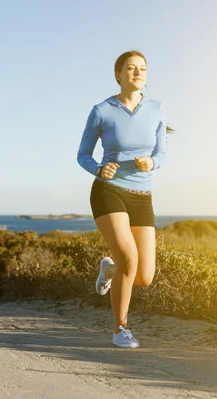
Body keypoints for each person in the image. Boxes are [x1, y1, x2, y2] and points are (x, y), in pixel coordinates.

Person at [76, 50, 171, 348]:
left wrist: (152, 164)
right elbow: (82, 155)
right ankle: (120, 329)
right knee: (129, 258)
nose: (138, 73)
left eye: (142, 68)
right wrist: (100, 169)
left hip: (143, 196)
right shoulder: (102, 110)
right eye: (131, 68)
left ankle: (110, 268)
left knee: (143, 276)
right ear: (118, 75)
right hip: (109, 190)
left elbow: (162, 153)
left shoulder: (157, 109)